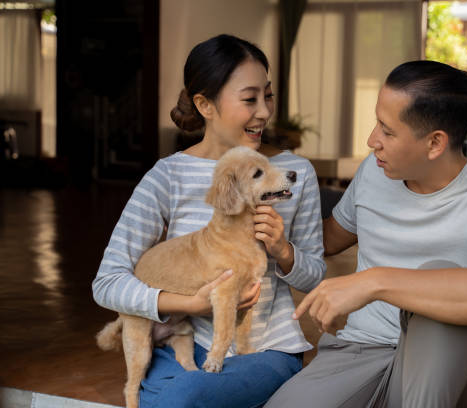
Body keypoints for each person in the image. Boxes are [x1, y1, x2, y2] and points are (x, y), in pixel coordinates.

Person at [264, 60, 467, 408]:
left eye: (387, 130)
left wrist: (374, 282)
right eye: (376, 122)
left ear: (435, 143)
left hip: (442, 370)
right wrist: (278, 240)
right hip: (357, 352)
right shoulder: (374, 171)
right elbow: (330, 239)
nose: (371, 140)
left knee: (440, 274)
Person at [92, 34, 326, 408]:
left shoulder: (294, 172)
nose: (264, 112)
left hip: (266, 349)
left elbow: (314, 273)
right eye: (249, 99)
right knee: (174, 399)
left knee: (185, 398)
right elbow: (107, 283)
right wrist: (189, 304)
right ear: (205, 104)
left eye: (268, 96)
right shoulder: (167, 176)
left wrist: (283, 251)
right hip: (183, 345)